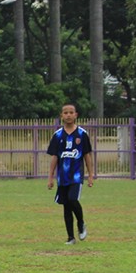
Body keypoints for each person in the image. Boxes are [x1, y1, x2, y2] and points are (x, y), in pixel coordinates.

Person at [47, 102, 94, 245]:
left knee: (73, 199)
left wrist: (91, 175)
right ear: (61, 115)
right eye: (65, 112)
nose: (68, 115)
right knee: (66, 205)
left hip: (76, 175)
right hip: (63, 177)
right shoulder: (57, 135)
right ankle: (70, 237)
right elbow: (55, 156)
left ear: (76, 115)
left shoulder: (82, 134)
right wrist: (50, 176)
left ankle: (81, 223)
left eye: (71, 112)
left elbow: (87, 155)